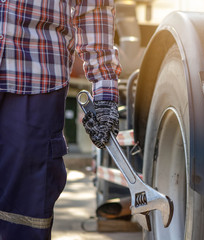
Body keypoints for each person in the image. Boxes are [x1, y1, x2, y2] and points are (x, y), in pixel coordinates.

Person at [0, 0, 121, 239]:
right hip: (38, 76)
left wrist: (105, 93)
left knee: (25, 210)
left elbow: (95, 9)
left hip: (36, 76)